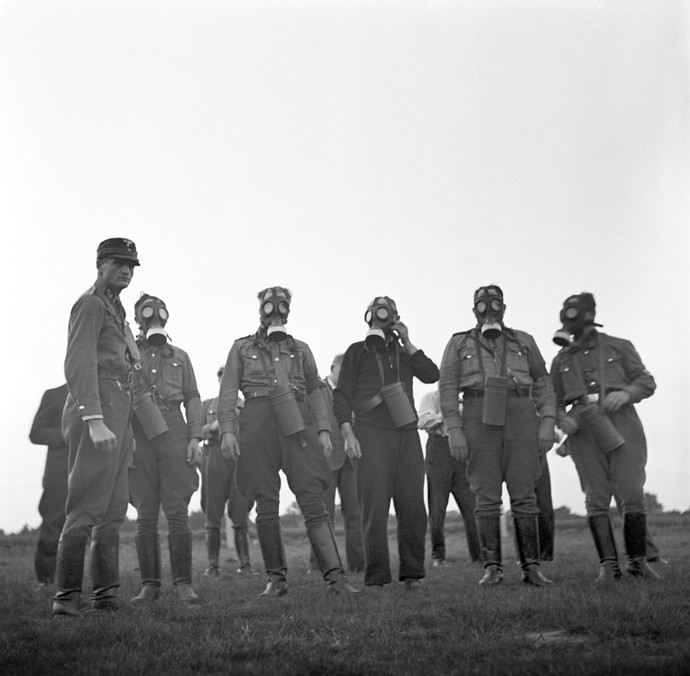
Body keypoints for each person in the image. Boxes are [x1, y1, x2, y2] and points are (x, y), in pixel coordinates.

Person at [218, 286, 357, 596]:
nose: (276, 313)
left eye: (282, 307)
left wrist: (322, 430)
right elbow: (228, 391)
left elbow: (316, 390)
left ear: (289, 312)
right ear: (260, 311)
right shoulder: (241, 349)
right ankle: (276, 580)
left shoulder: (301, 349)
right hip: (257, 421)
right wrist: (228, 430)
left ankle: (336, 579)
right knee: (265, 501)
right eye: (269, 307)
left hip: (297, 422)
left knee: (312, 498)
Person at [439, 284, 556, 587]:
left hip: (520, 414)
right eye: (482, 305)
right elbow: (448, 388)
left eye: (495, 304)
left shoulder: (524, 341)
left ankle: (531, 567)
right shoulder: (459, 343)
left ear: (505, 308)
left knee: (525, 492)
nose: (489, 310)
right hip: (479, 415)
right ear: (473, 309)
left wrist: (547, 422)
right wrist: (454, 430)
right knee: (485, 493)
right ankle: (492, 568)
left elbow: (543, 382)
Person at [53, 237, 140, 617]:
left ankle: (105, 595)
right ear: (100, 264)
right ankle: (66, 597)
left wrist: (125, 429)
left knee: (114, 507)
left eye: (132, 265)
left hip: (118, 406)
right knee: (86, 505)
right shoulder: (90, 304)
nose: (126, 270)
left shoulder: (116, 310)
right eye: (119, 262)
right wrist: (94, 420)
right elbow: (78, 363)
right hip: (98, 405)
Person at [550, 290, 659, 583]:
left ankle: (638, 563)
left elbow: (646, 381)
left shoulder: (619, 346)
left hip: (623, 424)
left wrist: (625, 393)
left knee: (633, 494)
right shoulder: (561, 360)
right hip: (584, 431)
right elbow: (553, 400)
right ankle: (609, 567)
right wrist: (563, 419)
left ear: (590, 316)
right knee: (595, 498)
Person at [334, 296, 439, 590]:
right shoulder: (356, 352)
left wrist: (408, 341)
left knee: (413, 507)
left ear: (394, 318)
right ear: (368, 318)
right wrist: (347, 433)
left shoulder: (404, 352)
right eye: (376, 314)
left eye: (386, 314)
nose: (380, 319)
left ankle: (412, 575)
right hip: (369, 432)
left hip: (406, 434)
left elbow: (433, 375)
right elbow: (341, 395)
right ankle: (377, 578)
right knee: (374, 509)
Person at [127, 293, 204, 605]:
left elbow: (193, 397)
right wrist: (125, 436)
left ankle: (184, 583)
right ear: (138, 320)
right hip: (138, 429)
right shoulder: (126, 352)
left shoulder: (181, 356)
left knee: (176, 511)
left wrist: (195, 438)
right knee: (145, 511)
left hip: (173, 426)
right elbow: (120, 394)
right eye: (147, 313)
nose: (154, 318)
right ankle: (150, 585)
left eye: (160, 313)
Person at [307, 355, 364, 574]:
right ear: (333, 367)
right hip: (324, 460)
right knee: (323, 514)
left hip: (350, 460)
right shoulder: (317, 390)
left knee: (355, 513)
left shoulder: (352, 391)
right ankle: (319, 564)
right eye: (344, 369)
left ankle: (358, 565)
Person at [201, 366, 257, 577]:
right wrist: (212, 427)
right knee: (212, 513)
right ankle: (212, 566)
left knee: (240, 512)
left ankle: (245, 564)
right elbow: (196, 431)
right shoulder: (207, 406)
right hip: (214, 457)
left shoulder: (248, 407)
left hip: (240, 459)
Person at [417, 388, 480, 566]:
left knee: (472, 507)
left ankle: (479, 556)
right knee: (437, 509)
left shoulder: (464, 400)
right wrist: (449, 415)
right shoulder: (430, 397)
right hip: (438, 450)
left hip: (461, 452)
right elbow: (422, 421)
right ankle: (439, 556)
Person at [29, 383, 70, 588]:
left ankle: (75, 584)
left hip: (92, 472)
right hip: (59, 475)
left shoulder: (102, 394)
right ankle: (45, 582)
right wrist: (69, 436)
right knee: (52, 527)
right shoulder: (54, 395)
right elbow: (36, 433)